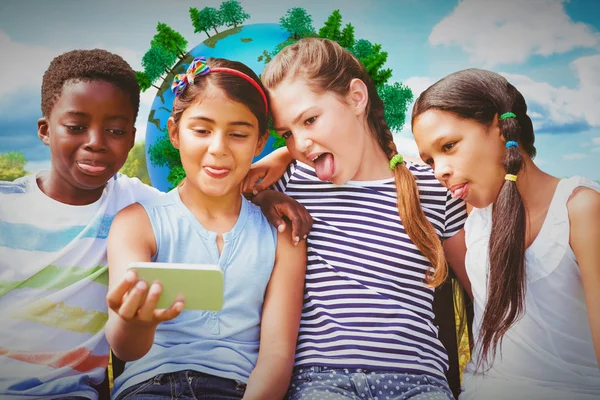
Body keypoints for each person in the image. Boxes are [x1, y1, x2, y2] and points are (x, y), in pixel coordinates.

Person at [244, 38, 468, 400]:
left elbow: (482, 290)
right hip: (320, 380)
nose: (300, 142)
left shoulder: (432, 187)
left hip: (418, 382)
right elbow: (224, 190)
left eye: (310, 120)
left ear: (356, 99)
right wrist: (271, 180)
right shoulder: (290, 184)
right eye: (287, 133)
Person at [106, 56, 307, 400]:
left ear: (260, 143)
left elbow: (276, 356)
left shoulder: (282, 234)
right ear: (174, 132)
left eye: (239, 134)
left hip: (241, 391)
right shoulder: (136, 223)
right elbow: (126, 350)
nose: (218, 149)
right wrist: (137, 322)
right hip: (149, 387)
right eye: (201, 130)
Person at [411, 68, 600, 400]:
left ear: (500, 128)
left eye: (449, 146)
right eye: (430, 160)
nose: (439, 170)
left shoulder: (580, 210)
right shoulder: (471, 223)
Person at [0, 49, 160, 399]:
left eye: (115, 130)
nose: (96, 143)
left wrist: (267, 193)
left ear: (131, 138)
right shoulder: (6, 205)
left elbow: (207, 202)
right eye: (76, 127)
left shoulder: (136, 204)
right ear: (45, 130)